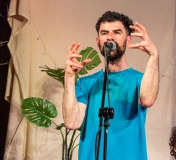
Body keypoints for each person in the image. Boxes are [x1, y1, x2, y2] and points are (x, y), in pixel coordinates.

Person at [62, 11, 159, 160]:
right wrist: (69, 78)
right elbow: (72, 122)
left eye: (117, 32)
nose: (110, 37)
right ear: (98, 41)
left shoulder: (139, 79)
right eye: (104, 33)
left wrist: (153, 55)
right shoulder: (86, 83)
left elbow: (147, 99)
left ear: (128, 40)